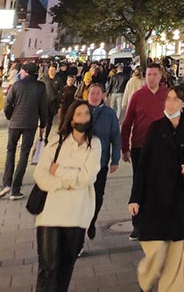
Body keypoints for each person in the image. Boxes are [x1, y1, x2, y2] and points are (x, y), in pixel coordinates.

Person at [128, 86, 184, 292]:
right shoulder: (155, 128)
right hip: (155, 196)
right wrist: (135, 198)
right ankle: (145, 278)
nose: (170, 103)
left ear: (183, 104)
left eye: (175, 99)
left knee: (176, 256)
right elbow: (142, 165)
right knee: (157, 248)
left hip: (179, 198)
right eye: (168, 99)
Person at [33, 100, 101, 291]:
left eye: (86, 114)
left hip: (77, 214)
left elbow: (88, 177)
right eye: (78, 114)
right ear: (71, 119)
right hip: (51, 213)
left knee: (65, 266)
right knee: (48, 268)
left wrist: (60, 171)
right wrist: (68, 182)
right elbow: (41, 174)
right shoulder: (57, 142)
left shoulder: (94, 144)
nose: (83, 118)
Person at [121, 63, 168, 240]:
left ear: (160, 76)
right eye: (149, 74)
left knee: (161, 184)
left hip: (162, 148)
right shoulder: (138, 96)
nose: (151, 78)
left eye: (155, 74)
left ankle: (158, 221)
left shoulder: (167, 94)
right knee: (139, 184)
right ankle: (138, 224)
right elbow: (127, 123)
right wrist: (124, 147)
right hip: (140, 146)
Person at [1, 61, 48, 199]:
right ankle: (15, 189)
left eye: (22, 71)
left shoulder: (17, 85)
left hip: (15, 123)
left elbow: (8, 105)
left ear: (26, 72)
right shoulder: (40, 87)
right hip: (30, 124)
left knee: (10, 151)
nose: (20, 73)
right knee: (24, 154)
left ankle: (6, 184)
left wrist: (11, 117)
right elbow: (43, 107)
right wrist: (43, 125)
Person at [86, 83, 121, 242]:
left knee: (98, 195)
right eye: (92, 92)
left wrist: (115, 159)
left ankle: (91, 221)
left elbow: (115, 137)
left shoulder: (109, 113)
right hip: (81, 164)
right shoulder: (80, 110)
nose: (94, 95)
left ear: (103, 95)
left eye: (98, 93)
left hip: (100, 163)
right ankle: (80, 230)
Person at [43, 63, 61, 142]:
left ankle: (46, 136)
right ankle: (42, 134)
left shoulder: (58, 80)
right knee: (44, 119)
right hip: (44, 102)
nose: (51, 72)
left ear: (55, 71)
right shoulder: (44, 79)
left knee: (49, 120)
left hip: (53, 103)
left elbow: (61, 91)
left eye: (53, 70)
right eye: (50, 70)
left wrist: (58, 99)